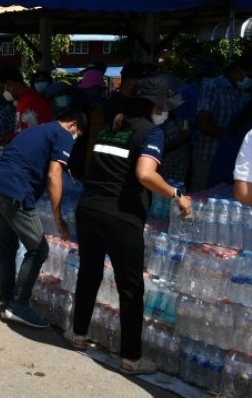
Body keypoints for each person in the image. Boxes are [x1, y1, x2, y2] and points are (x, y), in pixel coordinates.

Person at [68, 76, 192, 375]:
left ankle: (78, 335)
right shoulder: (151, 132)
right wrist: (177, 195)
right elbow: (145, 174)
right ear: (154, 106)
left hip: (89, 209)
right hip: (121, 216)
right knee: (130, 288)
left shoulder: (112, 126)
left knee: (89, 274)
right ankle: (131, 358)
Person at [0, 109, 85, 328]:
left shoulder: (38, 129)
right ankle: (19, 305)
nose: (75, 140)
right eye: (79, 135)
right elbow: (54, 175)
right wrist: (58, 218)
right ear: (73, 125)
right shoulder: (64, 135)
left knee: (8, 245)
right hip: (13, 191)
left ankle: (8, 300)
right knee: (39, 249)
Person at [192, 61, 248, 191]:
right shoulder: (213, 86)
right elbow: (204, 122)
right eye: (249, 75)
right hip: (208, 156)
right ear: (238, 70)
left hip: (230, 158)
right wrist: (230, 140)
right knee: (202, 195)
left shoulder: (240, 92)